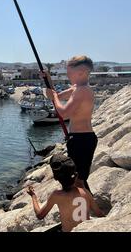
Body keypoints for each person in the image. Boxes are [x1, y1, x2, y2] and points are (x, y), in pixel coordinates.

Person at [41, 56, 97, 192]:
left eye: (69, 73)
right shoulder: (76, 88)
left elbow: (64, 113)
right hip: (77, 139)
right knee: (77, 178)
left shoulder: (83, 91)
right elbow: (57, 97)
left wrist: (53, 96)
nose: (67, 76)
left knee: (78, 181)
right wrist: (48, 80)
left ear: (82, 72)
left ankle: (92, 209)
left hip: (82, 140)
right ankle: (86, 206)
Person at [26, 154, 104, 232]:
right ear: (76, 175)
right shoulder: (85, 192)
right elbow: (100, 215)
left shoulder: (56, 195)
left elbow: (40, 215)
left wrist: (33, 196)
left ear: (56, 178)